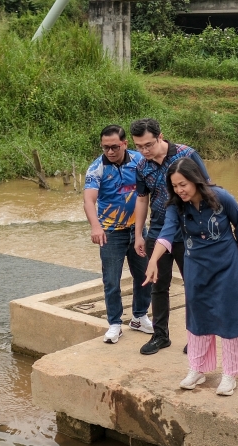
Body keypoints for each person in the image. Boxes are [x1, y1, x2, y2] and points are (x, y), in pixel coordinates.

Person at [142, 158, 238, 395]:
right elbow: (166, 234)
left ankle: (230, 374)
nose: (180, 190)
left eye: (184, 184)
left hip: (226, 266)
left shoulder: (222, 198)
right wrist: (153, 260)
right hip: (196, 266)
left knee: (228, 316)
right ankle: (197, 368)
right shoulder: (176, 206)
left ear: (196, 179)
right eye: (175, 186)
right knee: (197, 317)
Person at [130, 118, 211, 355]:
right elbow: (142, 199)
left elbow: (207, 188)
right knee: (158, 284)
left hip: (190, 230)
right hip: (158, 230)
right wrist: (139, 234)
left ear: (160, 137)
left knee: (193, 284)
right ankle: (160, 336)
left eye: (148, 145)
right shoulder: (141, 167)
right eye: (139, 146)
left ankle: (197, 335)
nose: (144, 151)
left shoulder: (186, 156)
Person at [84, 125, 152, 343]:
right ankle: (114, 323)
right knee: (111, 280)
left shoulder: (139, 161)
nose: (110, 152)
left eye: (114, 147)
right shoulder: (97, 168)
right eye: (106, 148)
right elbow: (88, 200)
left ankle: (139, 316)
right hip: (111, 233)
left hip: (138, 230)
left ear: (125, 143)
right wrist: (96, 226)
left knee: (145, 276)